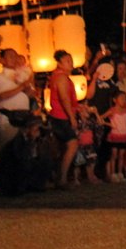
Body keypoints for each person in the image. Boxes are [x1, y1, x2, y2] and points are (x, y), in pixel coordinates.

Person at [0, 48, 37, 152]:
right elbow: (2, 96)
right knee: (8, 149)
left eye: (16, 56)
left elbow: (30, 94)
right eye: (11, 56)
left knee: (23, 150)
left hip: (23, 118)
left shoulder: (22, 75)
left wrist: (30, 83)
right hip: (8, 119)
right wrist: (21, 86)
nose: (14, 59)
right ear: (2, 60)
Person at [46, 50, 79, 187]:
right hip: (61, 116)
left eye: (71, 60)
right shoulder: (61, 77)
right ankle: (62, 177)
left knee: (62, 148)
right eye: (67, 61)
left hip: (60, 115)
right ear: (59, 64)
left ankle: (59, 176)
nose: (70, 63)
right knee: (72, 144)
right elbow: (64, 98)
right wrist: (72, 117)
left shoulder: (60, 76)